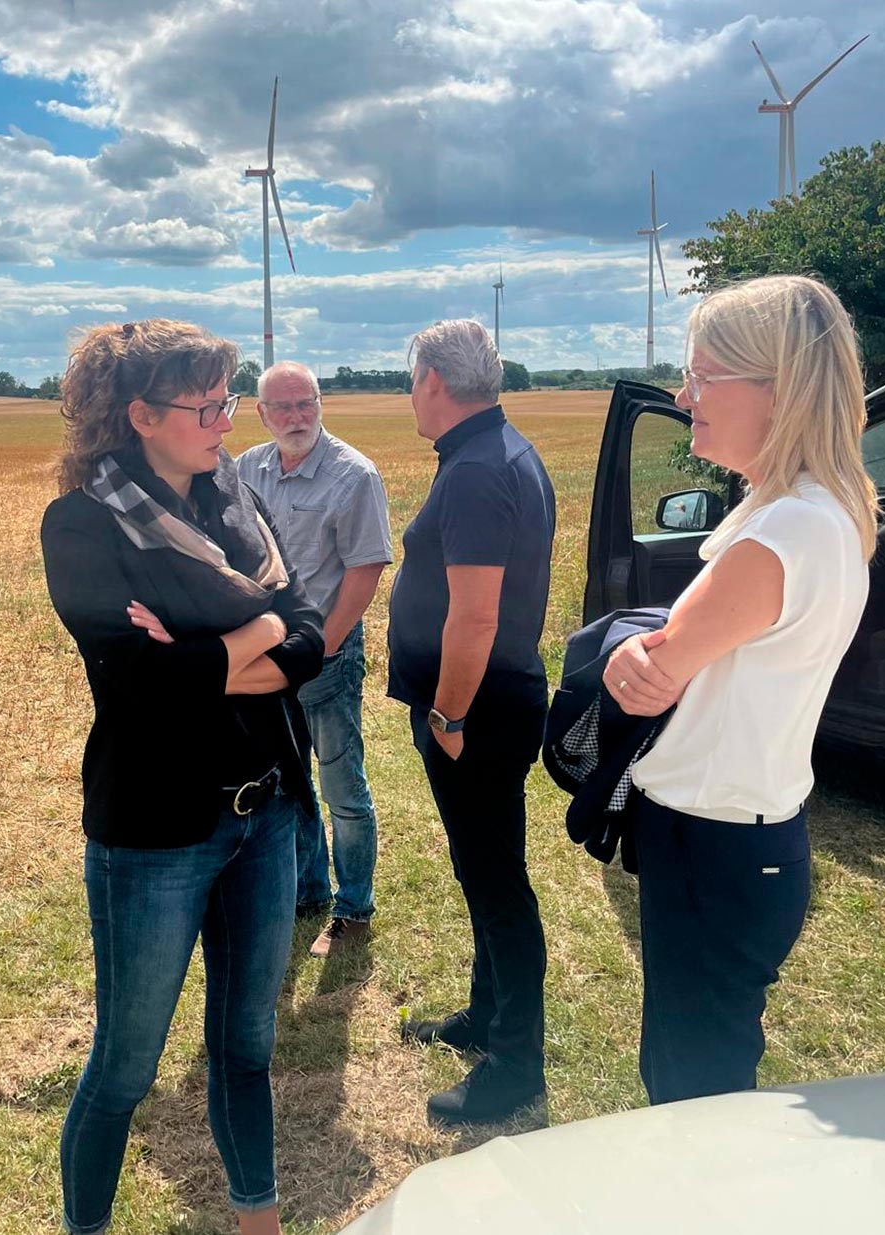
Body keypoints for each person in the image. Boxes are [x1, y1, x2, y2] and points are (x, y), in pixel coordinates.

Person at [40, 320, 324, 1235]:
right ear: (142, 416)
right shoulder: (82, 523)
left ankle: (258, 1222)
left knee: (246, 1047)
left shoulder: (233, 494)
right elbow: (142, 681)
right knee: (125, 1065)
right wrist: (257, 634)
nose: (226, 421)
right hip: (157, 832)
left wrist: (217, 647)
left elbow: (311, 625)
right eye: (207, 406)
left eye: (226, 401)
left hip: (264, 814)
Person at [603, 275, 877, 1106]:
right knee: (702, 1070)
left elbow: (651, 681)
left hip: (714, 844)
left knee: (692, 1095)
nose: (684, 397)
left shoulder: (782, 528)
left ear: (776, 386)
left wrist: (623, 649)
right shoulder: (813, 507)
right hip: (745, 836)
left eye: (701, 374)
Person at [387, 319, 556, 1126]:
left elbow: (475, 618)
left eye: (409, 378)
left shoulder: (478, 470)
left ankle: (516, 1063)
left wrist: (448, 714)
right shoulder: (495, 451)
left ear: (432, 380)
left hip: (477, 713)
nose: (407, 393)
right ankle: (486, 1015)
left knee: (497, 887)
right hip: (484, 707)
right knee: (481, 872)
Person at [237, 361, 393, 957]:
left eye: (307, 403)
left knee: (340, 786)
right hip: (265, 661)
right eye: (284, 407)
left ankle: (354, 907)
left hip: (326, 657)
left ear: (321, 403)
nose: (298, 417)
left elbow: (365, 570)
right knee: (289, 783)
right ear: (262, 414)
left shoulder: (354, 476)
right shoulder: (246, 469)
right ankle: (308, 893)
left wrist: (323, 646)